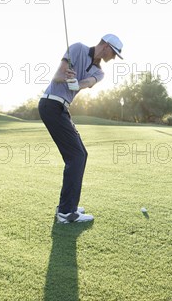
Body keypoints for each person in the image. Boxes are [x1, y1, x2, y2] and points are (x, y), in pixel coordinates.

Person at [39, 34, 123, 223]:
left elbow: (89, 82)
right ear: (106, 46)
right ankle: (66, 212)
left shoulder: (100, 72)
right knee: (76, 156)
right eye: (114, 53)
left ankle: (67, 206)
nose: (113, 57)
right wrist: (67, 78)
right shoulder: (77, 48)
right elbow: (58, 76)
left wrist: (78, 83)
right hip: (51, 104)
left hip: (61, 108)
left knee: (79, 154)